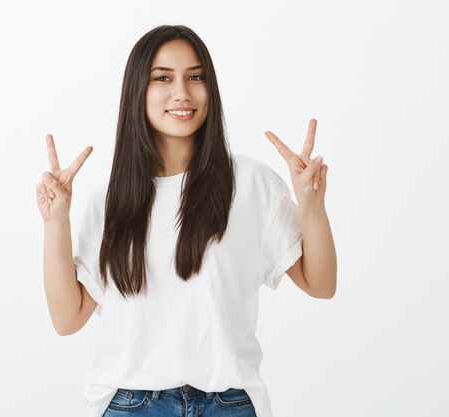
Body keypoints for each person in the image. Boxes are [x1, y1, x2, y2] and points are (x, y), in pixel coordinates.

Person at [36, 24, 337, 417]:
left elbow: (322, 284)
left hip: (228, 403)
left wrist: (311, 205)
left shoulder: (249, 182)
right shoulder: (112, 199)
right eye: (163, 78)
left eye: (196, 77)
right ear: (137, 93)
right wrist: (55, 222)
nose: (182, 92)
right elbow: (66, 319)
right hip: (131, 403)